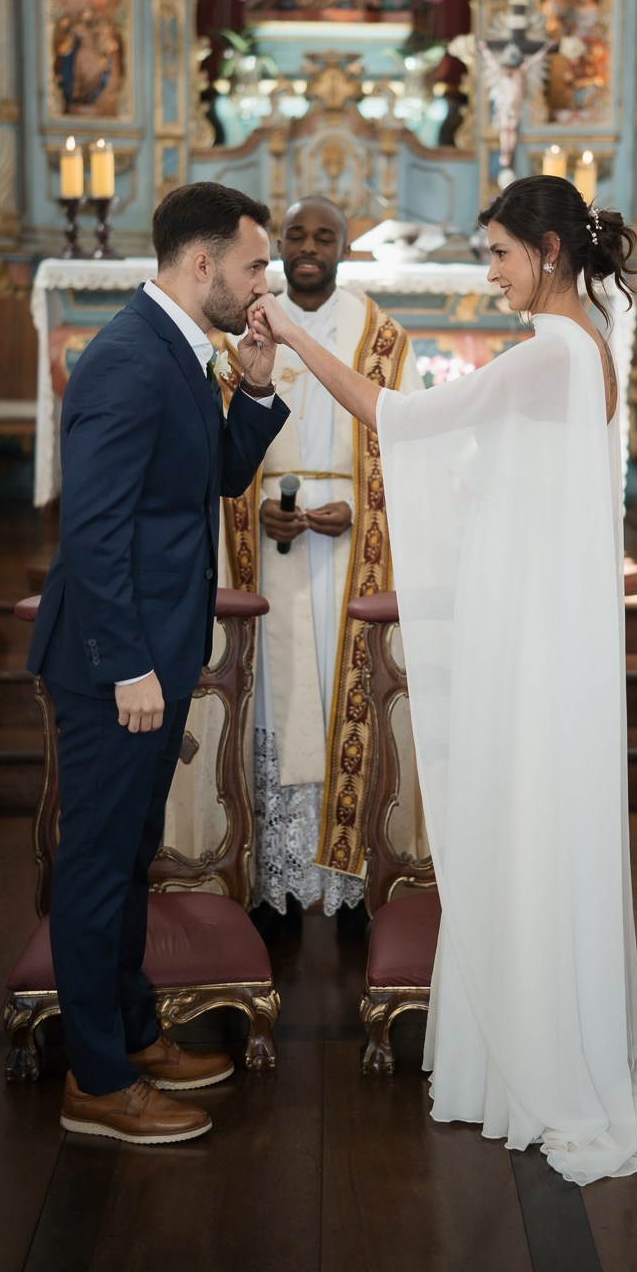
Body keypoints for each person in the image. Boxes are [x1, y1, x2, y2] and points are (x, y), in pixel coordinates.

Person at [250, 175, 637, 1182]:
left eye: (500, 253)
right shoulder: (588, 343)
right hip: (557, 626)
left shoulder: (546, 355)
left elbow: (388, 415)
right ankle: (557, 1028)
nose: (490, 271)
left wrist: (292, 338)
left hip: (537, 638)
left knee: (522, 824)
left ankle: (533, 1057)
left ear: (548, 252)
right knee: (544, 826)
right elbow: (512, 478)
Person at [27, 182, 288, 1146]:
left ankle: (132, 1035)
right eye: (256, 264)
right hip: (114, 665)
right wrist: (128, 665)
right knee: (96, 869)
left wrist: (255, 388)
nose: (266, 283)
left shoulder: (181, 350)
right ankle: (95, 1082)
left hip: (150, 654)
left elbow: (210, 479)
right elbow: (92, 533)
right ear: (203, 263)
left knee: (128, 860)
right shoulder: (130, 360)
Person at [221, 196, 423, 917]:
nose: (308, 248)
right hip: (265, 550)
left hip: (348, 557)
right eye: (296, 236)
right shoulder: (241, 327)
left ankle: (347, 880)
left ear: (345, 246)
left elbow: (410, 442)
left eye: (324, 237)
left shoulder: (381, 335)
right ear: (279, 244)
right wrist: (253, 504)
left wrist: (363, 510)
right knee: (276, 701)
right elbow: (216, 442)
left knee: (346, 694)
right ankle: (270, 881)